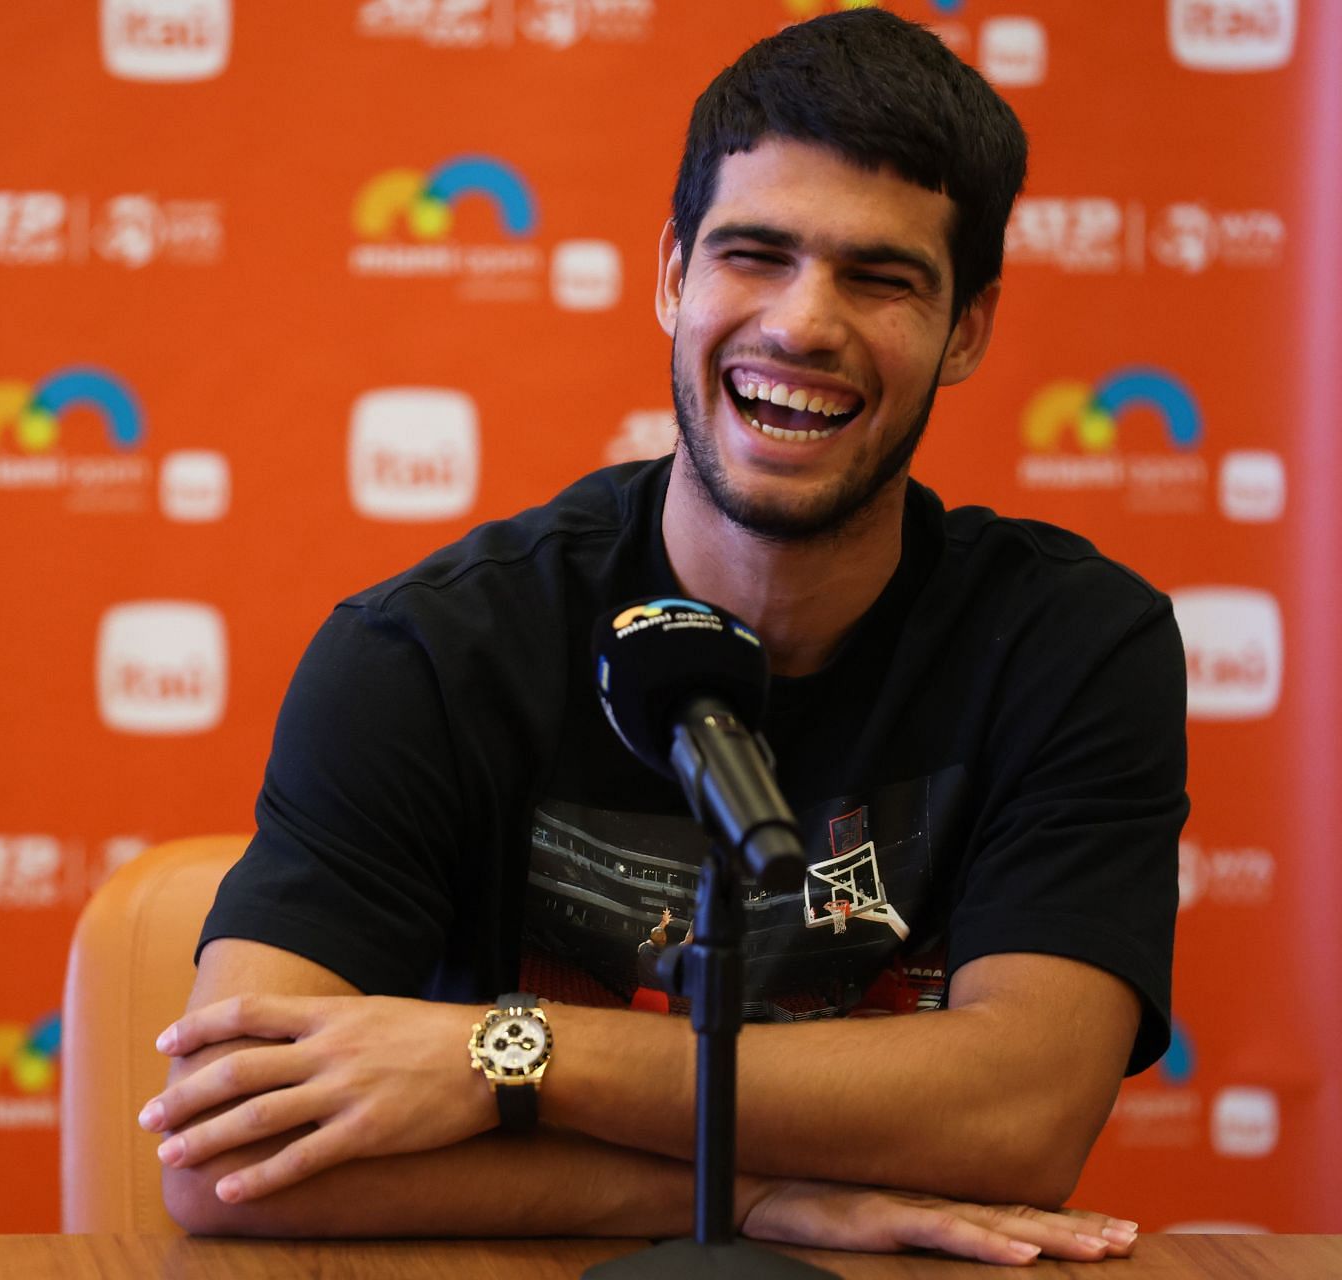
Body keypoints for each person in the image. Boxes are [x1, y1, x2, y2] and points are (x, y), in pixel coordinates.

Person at [136, 9, 1186, 1264]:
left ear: (967, 327)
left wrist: (503, 1056)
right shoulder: (426, 652)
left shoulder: (1071, 644)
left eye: (881, 276)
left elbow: (1019, 1109)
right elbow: (231, 1157)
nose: (804, 323)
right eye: (756, 253)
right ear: (672, 275)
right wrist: (743, 1196)